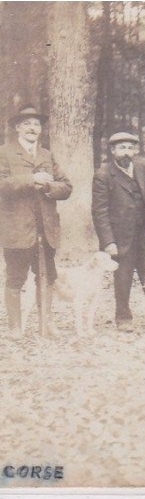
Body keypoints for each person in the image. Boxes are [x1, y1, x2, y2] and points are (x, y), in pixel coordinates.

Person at [0, 105, 72, 338]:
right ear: (18, 128)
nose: (33, 128)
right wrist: (31, 179)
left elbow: (67, 186)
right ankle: (15, 327)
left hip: (46, 228)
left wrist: (50, 187)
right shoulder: (5, 153)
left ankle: (46, 322)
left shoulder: (46, 155)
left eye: (37, 124)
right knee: (15, 277)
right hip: (17, 229)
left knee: (47, 276)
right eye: (27, 124)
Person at [91, 131, 145, 332]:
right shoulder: (103, 175)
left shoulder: (141, 169)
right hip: (120, 239)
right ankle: (123, 318)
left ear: (135, 150)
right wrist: (108, 241)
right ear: (113, 151)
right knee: (123, 278)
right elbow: (99, 211)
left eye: (130, 147)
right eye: (121, 148)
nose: (126, 152)